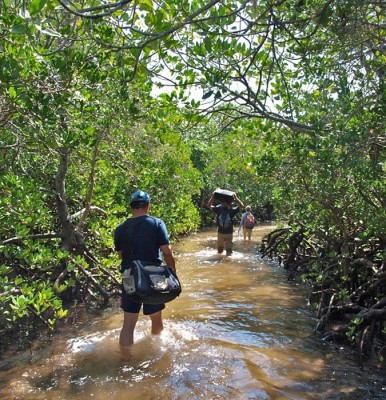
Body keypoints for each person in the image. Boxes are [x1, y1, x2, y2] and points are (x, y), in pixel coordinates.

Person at [114, 190, 176, 347]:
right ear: (148, 206)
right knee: (156, 318)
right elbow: (167, 252)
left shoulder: (120, 229)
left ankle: (125, 360)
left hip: (130, 278)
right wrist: (173, 273)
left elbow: (121, 255)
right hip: (153, 277)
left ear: (131, 207)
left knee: (128, 325)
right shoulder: (156, 223)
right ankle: (157, 349)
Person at [207, 191, 244, 255]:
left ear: (227, 203)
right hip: (222, 232)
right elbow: (209, 206)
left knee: (228, 251)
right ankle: (224, 262)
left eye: (223, 202)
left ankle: (226, 262)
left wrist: (236, 198)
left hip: (227, 233)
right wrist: (212, 197)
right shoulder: (221, 209)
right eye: (222, 202)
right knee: (220, 250)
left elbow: (241, 206)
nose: (222, 203)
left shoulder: (230, 210)